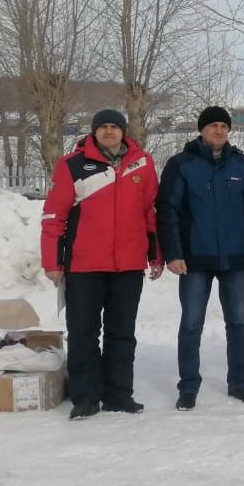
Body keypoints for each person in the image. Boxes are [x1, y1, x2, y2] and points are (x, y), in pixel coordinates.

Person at [40, 109, 163, 420]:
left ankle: (119, 395)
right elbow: (54, 217)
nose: (109, 131)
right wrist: (53, 262)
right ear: (94, 132)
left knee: (122, 333)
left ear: (123, 132)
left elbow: (150, 213)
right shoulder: (72, 165)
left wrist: (155, 255)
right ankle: (86, 398)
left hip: (129, 266)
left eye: (114, 127)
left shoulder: (143, 163)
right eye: (103, 127)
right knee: (83, 333)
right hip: (84, 266)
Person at [156, 106, 244, 411]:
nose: (219, 131)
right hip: (193, 260)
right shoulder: (181, 165)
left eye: (223, 125)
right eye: (213, 126)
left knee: (238, 322)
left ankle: (240, 383)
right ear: (201, 130)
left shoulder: (243, 166)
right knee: (191, 323)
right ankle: (188, 386)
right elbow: (167, 211)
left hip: (234, 259)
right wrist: (173, 253)